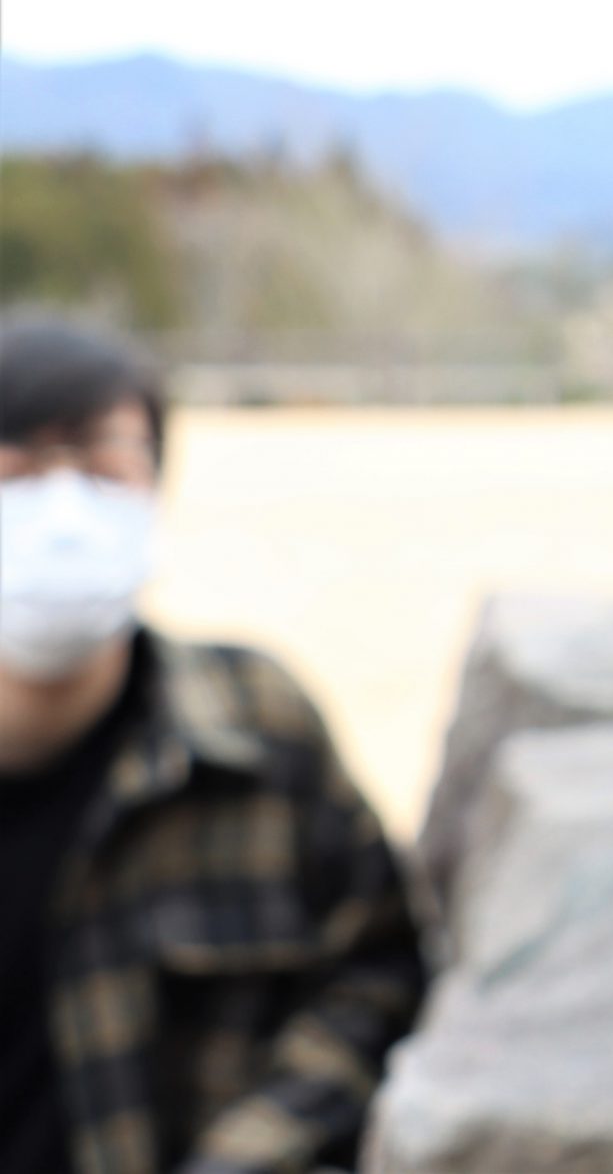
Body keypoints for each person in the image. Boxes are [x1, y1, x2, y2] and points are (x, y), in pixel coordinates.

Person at [0, 317, 425, 1174]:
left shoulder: (256, 729)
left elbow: (378, 976)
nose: (65, 512)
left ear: (157, 488)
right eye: (18, 470)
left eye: (105, 468)